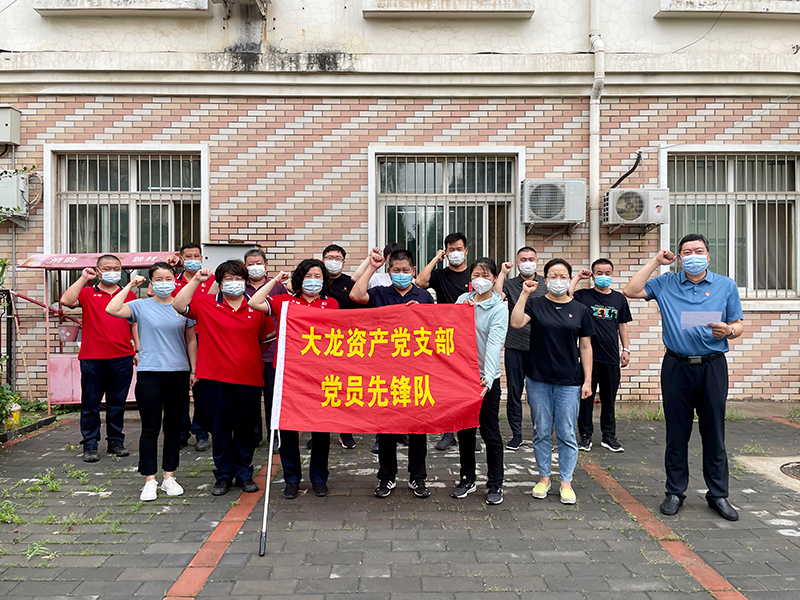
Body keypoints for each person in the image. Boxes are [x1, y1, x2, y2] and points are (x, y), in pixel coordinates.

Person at [623, 234, 744, 521]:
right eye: (686, 252)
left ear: (708, 256)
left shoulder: (725, 285)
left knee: (714, 432)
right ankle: (675, 492)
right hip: (676, 366)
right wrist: (656, 261)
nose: (693, 256)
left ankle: (718, 494)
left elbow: (738, 324)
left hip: (713, 366)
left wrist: (729, 331)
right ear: (679, 258)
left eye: (698, 251)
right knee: (676, 432)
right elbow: (630, 290)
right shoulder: (666, 283)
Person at [173, 260, 275, 497]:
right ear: (219, 283)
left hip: (249, 378)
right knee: (220, 429)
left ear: (245, 282)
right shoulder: (206, 303)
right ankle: (223, 475)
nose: (234, 283)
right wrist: (196, 280)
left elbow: (265, 341)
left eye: (239, 279)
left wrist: (245, 356)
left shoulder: (256, 307)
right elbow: (179, 304)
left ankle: (244, 473)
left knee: (245, 429)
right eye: (228, 279)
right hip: (215, 378)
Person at [105, 263, 197, 502]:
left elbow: (191, 341)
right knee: (150, 428)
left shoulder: (183, 308)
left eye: (168, 278)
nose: (164, 283)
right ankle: (149, 480)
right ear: (151, 282)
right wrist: (129, 285)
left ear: (175, 281)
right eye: (158, 279)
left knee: (173, 428)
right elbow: (112, 308)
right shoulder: (140, 306)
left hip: (178, 373)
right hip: (149, 373)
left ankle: (169, 477)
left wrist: (193, 369)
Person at [248, 259, 339, 500]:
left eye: (318, 276)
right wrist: (275, 282)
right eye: (308, 276)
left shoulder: (331, 303)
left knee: (321, 431)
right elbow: (254, 302)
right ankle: (291, 479)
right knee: (287, 430)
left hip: (320, 375)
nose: (313, 281)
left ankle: (319, 478)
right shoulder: (284, 301)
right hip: (289, 374)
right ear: (299, 278)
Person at [350, 247, 434, 499]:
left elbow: (435, 331)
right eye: (396, 270)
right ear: (389, 272)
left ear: (413, 271)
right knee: (386, 427)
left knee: (418, 428)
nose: (401, 274)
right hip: (384, 370)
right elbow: (356, 294)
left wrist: (419, 314)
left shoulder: (424, 296)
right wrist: (371, 267)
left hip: (416, 371)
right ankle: (386, 477)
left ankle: (418, 477)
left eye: (405, 270)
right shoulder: (379, 293)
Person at [510, 258, 594, 505]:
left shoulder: (580, 310)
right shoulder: (536, 304)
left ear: (569, 279)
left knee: (567, 432)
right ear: (545, 280)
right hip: (538, 379)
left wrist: (588, 380)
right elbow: (516, 323)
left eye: (563, 276)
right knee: (541, 431)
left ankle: (566, 482)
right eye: (553, 277)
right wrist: (525, 294)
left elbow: (586, 347)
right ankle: (544, 478)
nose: (558, 281)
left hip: (569, 380)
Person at [60, 255, 138, 463]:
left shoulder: (128, 294)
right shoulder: (87, 293)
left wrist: (138, 349)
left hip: (122, 355)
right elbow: (66, 301)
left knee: (117, 403)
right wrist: (83, 278)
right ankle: (90, 444)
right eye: (107, 268)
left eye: (116, 268)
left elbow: (134, 323)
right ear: (98, 271)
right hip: (92, 357)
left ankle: (116, 441)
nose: (112, 271)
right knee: (91, 403)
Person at [451, 258, 508, 505]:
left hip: (487, 379)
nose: (480, 280)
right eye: (476, 275)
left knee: (490, 431)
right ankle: (467, 478)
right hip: (463, 377)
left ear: (495, 279)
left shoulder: (499, 308)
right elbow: (447, 331)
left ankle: (495, 484)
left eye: (485, 275)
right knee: (465, 431)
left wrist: (487, 378)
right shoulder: (462, 301)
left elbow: (495, 343)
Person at [569, 259, 632, 453]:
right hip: (588, 358)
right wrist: (578, 277)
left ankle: (609, 436)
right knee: (585, 399)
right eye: (599, 273)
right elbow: (567, 295)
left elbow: (622, 325)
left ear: (612, 274)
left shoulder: (619, 299)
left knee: (609, 399)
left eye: (607, 273)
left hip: (611, 357)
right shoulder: (583, 296)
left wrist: (626, 349)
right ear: (593, 275)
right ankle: (585, 436)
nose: (603, 276)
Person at [416, 233, 471, 451]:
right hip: (446, 337)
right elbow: (420, 282)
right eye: (451, 250)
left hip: (470, 336)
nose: (455, 253)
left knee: (468, 385)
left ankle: (469, 431)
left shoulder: (474, 273)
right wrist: (435, 259)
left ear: (466, 251)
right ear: (445, 252)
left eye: (459, 249)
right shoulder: (440, 275)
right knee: (448, 386)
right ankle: (448, 432)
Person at [494, 247, 546, 451]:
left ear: (537, 261)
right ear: (517, 263)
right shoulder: (510, 284)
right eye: (523, 259)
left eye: (531, 259)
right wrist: (502, 273)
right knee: (514, 392)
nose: (527, 262)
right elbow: (497, 297)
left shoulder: (545, 283)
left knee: (539, 395)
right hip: (515, 344)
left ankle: (541, 434)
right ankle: (516, 435)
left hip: (540, 347)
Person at [173, 242, 214, 453]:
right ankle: (181, 433)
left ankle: (201, 432)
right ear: (181, 259)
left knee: (201, 389)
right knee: (179, 388)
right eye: (188, 256)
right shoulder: (172, 280)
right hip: (177, 338)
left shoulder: (211, 279)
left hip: (204, 339)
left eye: (196, 256)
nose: (193, 259)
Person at [244, 248, 287, 446]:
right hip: (248, 352)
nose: (255, 267)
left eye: (258, 263)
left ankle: (274, 436)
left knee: (272, 398)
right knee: (251, 398)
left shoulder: (278, 288)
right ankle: (253, 436)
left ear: (266, 265)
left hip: (272, 351)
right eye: (250, 264)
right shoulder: (239, 287)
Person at [321, 244, 359, 450]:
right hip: (318, 344)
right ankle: (320, 431)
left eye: (338, 258)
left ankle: (346, 431)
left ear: (343, 262)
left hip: (346, 344)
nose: (333, 261)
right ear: (322, 260)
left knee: (345, 388)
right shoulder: (316, 281)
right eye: (329, 257)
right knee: (322, 388)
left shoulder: (349, 283)